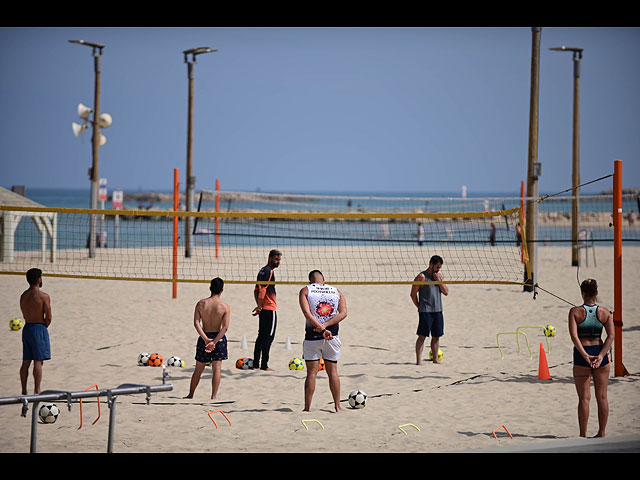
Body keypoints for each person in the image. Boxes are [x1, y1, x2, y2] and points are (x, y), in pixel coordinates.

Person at [568, 278, 614, 438]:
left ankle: (583, 435)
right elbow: (611, 336)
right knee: (602, 396)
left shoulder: (575, 312)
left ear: (582, 293)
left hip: (582, 354)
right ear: (596, 293)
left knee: (584, 398)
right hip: (600, 351)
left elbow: (574, 336)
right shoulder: (605, 312)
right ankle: (601, 432)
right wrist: (601, 355)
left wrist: (585, 355)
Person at [299, 270, 347, 412]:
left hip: (312, 335)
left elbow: (307, 313)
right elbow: (344, 313)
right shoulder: (336, 290)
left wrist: (320, 328)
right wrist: (326, 327)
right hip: (332, 335)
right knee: (333, 372)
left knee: (311, 373)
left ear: (310, 281)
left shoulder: (306, 290)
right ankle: (337, 406)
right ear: (323, 279)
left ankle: (307, 408)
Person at [185, 277, 230, 400]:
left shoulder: (201, 304)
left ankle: (190, 394)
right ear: (222, 290)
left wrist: (205, 339)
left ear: (210, 288)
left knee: (198, 369)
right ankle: (214, 396)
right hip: (218, 339)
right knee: (216, 368)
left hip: (204, 337)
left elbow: (196, 323)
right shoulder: (224, 306)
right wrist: (214, 342)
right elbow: (225, 328)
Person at [410, 255, 449, 365]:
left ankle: (435, 360)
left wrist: (439, 281)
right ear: (430, 264)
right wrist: (419, 307)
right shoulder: (421, 277)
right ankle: (418, 361)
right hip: (426, 311)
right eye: (437, 267)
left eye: (439, 268)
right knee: (422, 336)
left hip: (438, 310)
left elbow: (446, 292)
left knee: (436, 337)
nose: (438, 270)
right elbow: (413, 294)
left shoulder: (439, 277)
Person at [19, 268, 52, 395]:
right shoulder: (44, 296)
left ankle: (23, 391)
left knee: (26, 361)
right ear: (39, 279)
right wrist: (43, 328)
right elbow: (48, 317)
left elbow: (25, 313)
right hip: (39, 328)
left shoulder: (23, 296)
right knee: (38, 361)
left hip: (27, 328)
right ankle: (37, 391)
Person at [252, 249, 281, 371]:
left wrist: (259, 306)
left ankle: (255, 364)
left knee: (261, 337)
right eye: (276, 259)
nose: (278, 262)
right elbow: (262, 290)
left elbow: (256, 290)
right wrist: (260, 306)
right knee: (268, 337)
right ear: (270, 258)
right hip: (269, 308)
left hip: (264, 308)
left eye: (279, 259)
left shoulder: (262, 270)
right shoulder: (268, 271)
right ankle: (264, 365)